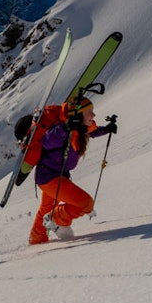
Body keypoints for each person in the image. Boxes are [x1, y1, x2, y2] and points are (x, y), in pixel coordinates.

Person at [28, 96, 118, 244]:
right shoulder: (61, 129)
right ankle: (54, 219)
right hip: (49, 178)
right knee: (86, 203)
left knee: (46, 208)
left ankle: (36, 240)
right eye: (89, 111)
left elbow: (91, 132)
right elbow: (47, 141)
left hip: (56, 176)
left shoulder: (79, 128)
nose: (93, 115)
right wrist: (65, 128)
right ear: (78, 114)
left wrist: (107, 129)